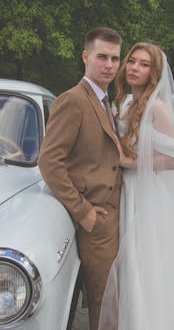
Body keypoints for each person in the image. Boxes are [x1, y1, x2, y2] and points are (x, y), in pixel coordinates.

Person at [98, 43, 174, 330]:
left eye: (144, 64)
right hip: (124, 194)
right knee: (126, 271)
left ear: (154, 73)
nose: (134, 68)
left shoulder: (157, 108)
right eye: (132, 61)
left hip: (146, 198)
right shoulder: (123, 103)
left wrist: (127, 162)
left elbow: (172, 160)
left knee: (144, 269)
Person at [38, 27, 123, 330]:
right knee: (102, 302)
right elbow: (49, 161)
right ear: (86, 56)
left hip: (116, 216)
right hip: (96, 220)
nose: (109, 65)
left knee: (113, 300)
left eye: (115, 58)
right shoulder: (73, 100)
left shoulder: (105, 100)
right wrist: (83, 211)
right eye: (102, 57)